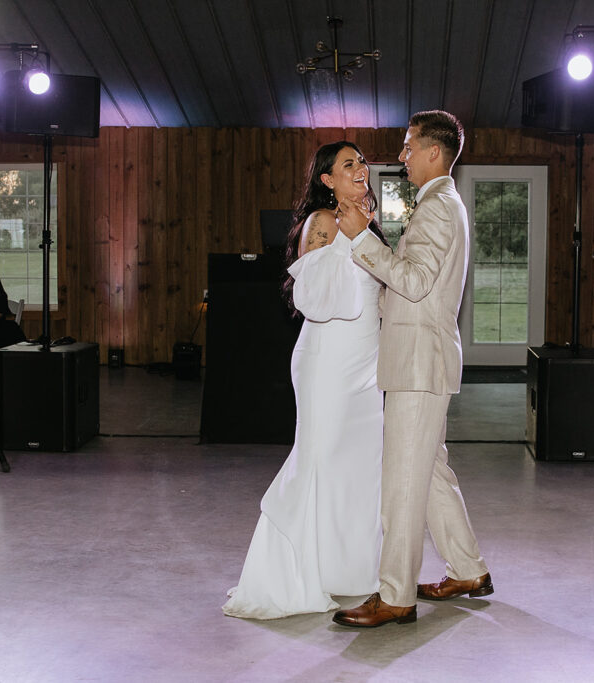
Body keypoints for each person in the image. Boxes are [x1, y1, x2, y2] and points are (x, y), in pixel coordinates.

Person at [332, 111, 492, 628]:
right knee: (431, 477)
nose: (401, 157)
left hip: (419, 365)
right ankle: (469, 570)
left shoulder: (438, 207)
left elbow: (416, 281)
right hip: (425, 360)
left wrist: (361, 239)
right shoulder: (442, 204)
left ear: (433, 152)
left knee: (402, 482)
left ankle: (396, 596)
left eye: (407, 147)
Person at [222, 141, 390, 619]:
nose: (361, 170)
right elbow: (313, 299)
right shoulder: (322, 223)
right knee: (320, 461)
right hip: (328, 363)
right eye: (348, 164)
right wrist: (350, 236)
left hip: (366, 365)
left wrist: (364, 233)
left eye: (362, 163)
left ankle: (352, 573)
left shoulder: (367, 226)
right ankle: (299, 574)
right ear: (328, 180)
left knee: (359, 470)